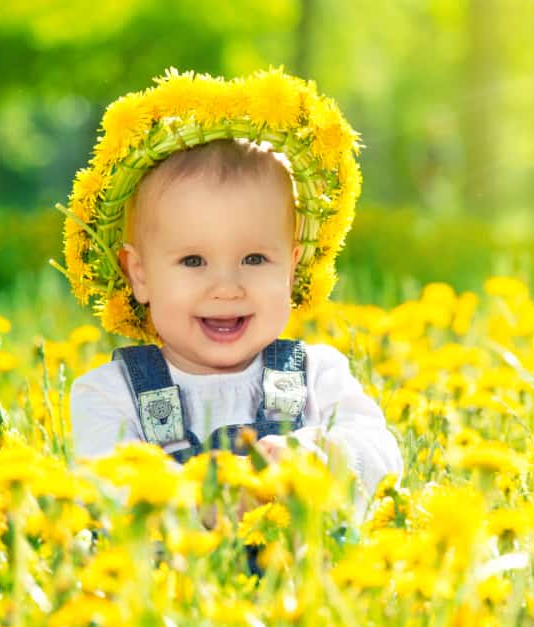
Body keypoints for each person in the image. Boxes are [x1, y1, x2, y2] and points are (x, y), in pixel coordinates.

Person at [62, 69, 403, 519]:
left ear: (292, 266)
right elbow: (105, 493)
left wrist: (317, 457)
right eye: (193, 261)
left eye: (255, 259)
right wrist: (205, 497)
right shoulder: (110, 394)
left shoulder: (318, 376)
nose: (226, 288)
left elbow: (381, 458)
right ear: (139, 275)